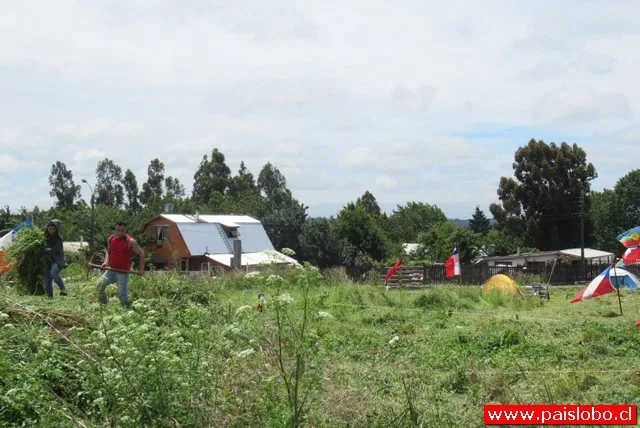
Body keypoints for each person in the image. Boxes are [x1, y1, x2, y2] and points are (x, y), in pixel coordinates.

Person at [96, 221, 145, 307]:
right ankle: (104, 305)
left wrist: (141, 269)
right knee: (99, 286)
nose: (120, 232)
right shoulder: (111, 239)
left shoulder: (130, 241)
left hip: (122, 272)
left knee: (122, 295)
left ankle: (126, 311)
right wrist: (106, 262)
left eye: (122, 230)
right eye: (118, 230)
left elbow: (141, 254)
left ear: (125, 230)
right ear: (115, 229)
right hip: (111, 270)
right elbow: (108, 251)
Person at [43, 220, 68, 299]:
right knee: (47, 280)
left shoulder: (58, 239)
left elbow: (53, 250)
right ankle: (50, 298)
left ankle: (63, 289)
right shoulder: (45, 238)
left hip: (58, 261)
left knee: (53, 273)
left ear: (56, 230)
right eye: (49, 228)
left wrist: (44, 250)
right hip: (48, 262)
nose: (51, 231)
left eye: (53, 229)